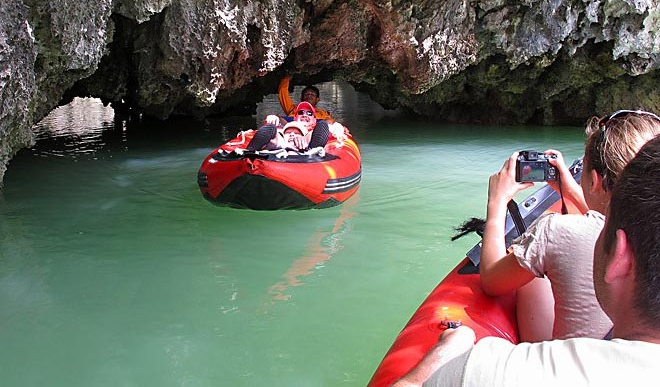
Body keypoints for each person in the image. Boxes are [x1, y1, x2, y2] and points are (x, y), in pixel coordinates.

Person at [392, 133, 660, 387]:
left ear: (620, 258)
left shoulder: (494, 372)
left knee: (532, 274)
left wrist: (497, 202)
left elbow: (493, 281)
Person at [480, 110, 660, 341]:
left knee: (533, 261)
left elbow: (491, 281)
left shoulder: (555, 230)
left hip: (574, 369)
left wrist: (497, 202)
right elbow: (613, 216)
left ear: (594, 180)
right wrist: (573, 193)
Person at [245, 101, 330, 152]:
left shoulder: (318, 126)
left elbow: (331, 126)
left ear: (314, 119)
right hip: (283, 138)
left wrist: (337, 128)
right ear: (295, 118)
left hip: (307, 139)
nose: (304, 115)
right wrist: (271, 118)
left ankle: (313, 149)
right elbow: (278, 120)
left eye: (309, 114)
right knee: (272, 129)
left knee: (322, 126)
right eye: (300, 113)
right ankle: (250, 151)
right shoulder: (286, 124)